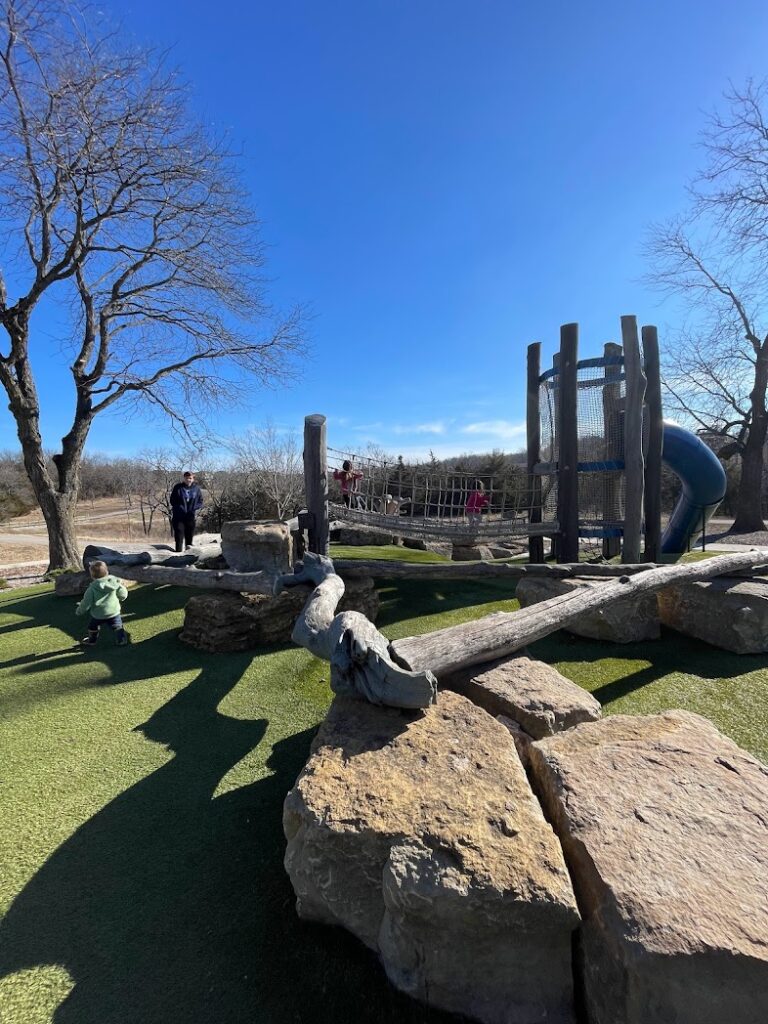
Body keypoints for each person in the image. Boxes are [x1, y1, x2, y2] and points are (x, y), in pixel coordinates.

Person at [76, 560, 130, 646]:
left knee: (92, 627)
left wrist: (79, 610)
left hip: (98, 614)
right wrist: (122, 598)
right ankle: (122, 640)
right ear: (107, 572)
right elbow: (123, 593)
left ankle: (92, 640)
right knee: (118, 626)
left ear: (92, 576)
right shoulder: (115, 583)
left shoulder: (92, 588)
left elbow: (86, 602)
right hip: (113, 612)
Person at [169, 471, 204, 552]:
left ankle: (188, 555)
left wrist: (193, 508)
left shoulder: (196, 489)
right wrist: (180, 507)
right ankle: (178, 555)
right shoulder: (178, 487)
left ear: (193, 479)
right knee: (179, 536)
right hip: (179, 516)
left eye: (190, 478)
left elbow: (200, 501)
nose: (188, 480)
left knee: (189, 537)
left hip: (190, 516)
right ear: (184, 478)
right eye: (187, 478)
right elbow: (172, 501)